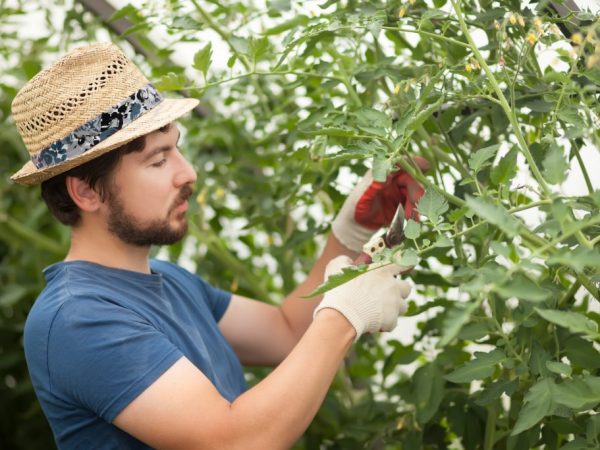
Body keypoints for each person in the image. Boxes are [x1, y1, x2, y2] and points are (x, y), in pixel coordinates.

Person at [11, 43, 426, 449]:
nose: (187, 173)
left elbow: (289, 332)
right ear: (85, 192)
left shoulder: (169, 281)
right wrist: (345, 315)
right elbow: (236, 440)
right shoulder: (76, 319)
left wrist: (349, 235)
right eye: (158, 161)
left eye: (178, 149)